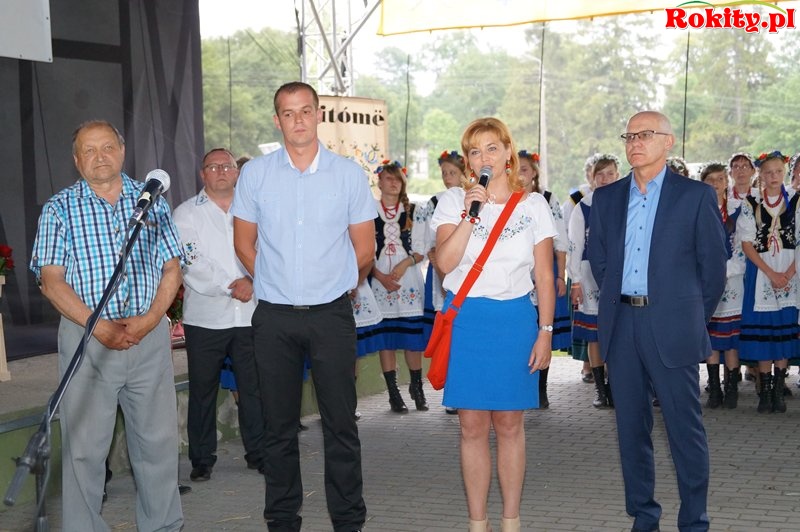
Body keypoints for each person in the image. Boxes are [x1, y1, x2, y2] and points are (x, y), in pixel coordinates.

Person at [231, 81, 372, 532]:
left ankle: (348, 521)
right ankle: (281, 520)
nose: (298, 120)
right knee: (278, 428)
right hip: (274, 318)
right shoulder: (255, 175)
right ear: (278, 120)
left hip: (331, 315)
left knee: (340, 424)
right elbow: (243, 243)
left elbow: (364, 250)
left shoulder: (348, 175)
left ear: (318, 115)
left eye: (306, 111)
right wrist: (277, 279)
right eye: (288, 113)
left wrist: (335, 283)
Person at [30, 120, 184, 531]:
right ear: (76, 160)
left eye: (107, 147)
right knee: (84, 451)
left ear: (122, 151)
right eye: (89, 150)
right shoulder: (59, 208)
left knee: (158, 445)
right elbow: (51, 281)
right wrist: (98, 327)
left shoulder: (153, 200)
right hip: (87, 342)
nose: (99, 157)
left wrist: (150, 320)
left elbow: (172, 269)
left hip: (147, 339)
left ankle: (163, 526)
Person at [587, 111, 727, 532]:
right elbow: (600, 261)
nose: (634, 142)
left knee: (684, 430)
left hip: (672, 326)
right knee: (631, 429)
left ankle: (694, 521)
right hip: (622, 326)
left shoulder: (695, 196)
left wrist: (689, 315)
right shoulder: (607, 198)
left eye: (645, 135)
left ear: (668, 142)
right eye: (629, 136)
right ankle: (644, 517)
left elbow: (713, 269)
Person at [431, 117, 556, 532]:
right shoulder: (453, 201)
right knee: (471, 426)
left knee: (510, 423)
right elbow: (445, 263)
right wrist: (471, 215)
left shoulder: (533, 205)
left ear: (507, 153)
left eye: (491, 148)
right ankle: (477, 523)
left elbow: (544, 276)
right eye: (474, 151)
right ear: (467, 160)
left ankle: (511, 521)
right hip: (468, 320)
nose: (483, 157)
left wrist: (546, 332)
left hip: (514, 320)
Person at [172, 147, 266, 481]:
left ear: (237, 172)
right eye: (213, 167)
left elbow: (269, 248)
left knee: (254, 388)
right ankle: (201, 459)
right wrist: (231, 285)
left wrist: (253, 280)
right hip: (206, 318)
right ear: (202, 174)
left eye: (226, 166)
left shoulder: (256, 209)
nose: (221, 171)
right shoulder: (186, 214)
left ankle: (259, 453)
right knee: (203, 390)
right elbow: (191, 262)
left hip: (250, 315)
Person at [737, 151, 798, 413]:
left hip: (791, 269)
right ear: (760, 175)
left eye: (778, 172)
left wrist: (789, 274)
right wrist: (771, 274)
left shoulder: (796, 201)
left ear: (784, 173)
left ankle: (778, 390)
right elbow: (746, 243)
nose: (774, 177)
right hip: (761, 272)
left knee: (783, 327)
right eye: (769, 172)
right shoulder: (751, 203)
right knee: (764, 330)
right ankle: (765, 389)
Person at [369, 159, 428, 413]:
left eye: (397, 179)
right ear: (379, 182)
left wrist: (404, 264)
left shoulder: (414, 210)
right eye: (388, 178)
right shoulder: (369, 210)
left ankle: (417, 386)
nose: (393, 183)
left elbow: (423, 249)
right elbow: (364, 250)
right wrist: (380, 276)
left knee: (411, 337)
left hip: (409, 279)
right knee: (387, 338)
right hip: (379, 279)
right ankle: (393, 393)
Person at [414, 149, 466, 414]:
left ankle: (466, 389)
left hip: (465, 275)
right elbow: (427, 244)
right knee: (447, 335)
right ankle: (450, 391)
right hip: (440, 274)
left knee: (463, 333)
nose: (447, 178)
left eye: (452, 172)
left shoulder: (471, 198)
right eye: (444, 173)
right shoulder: (433, 203)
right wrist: (440, 268)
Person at [568, 153, 621, 408]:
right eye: (600, 174)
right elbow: (575, 245)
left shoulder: (628, 203)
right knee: (595, 333)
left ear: (618, 176)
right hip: (590, 274)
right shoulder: (584, 207)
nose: (605, 178)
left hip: (620, 273)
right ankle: (601, 389)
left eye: (610, 173)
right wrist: (576, 281)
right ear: (592, 178)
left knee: (619, 332)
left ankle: (618, 385)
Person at [518, 149, 568, 408]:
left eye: (525, 169)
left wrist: (561, 275)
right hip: (520, 275)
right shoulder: (506, 199)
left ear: (534, 172)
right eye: (515, 169)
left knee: (542, 326)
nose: (520, 174)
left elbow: (561, 240)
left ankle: (541, 387)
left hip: (544, 270)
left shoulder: (547, 199)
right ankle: (522, 381)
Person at [699, 162, 745, 409]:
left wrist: (725, 271)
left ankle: (732, 389)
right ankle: (714, 388)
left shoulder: (738, 209)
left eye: (720, 179)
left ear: (726, 182)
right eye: (710, 180)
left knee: (730, 338)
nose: (716, 184)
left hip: (732, 281)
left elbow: (742, 246)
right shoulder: (698, 209)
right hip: (706, 282)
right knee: (711, 336)